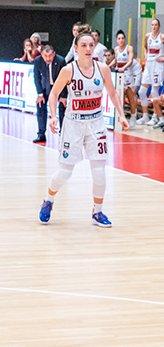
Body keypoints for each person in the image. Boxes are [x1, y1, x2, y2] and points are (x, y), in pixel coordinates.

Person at [38, 32, 129, 227]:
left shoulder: (103, 69)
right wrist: (53, 116)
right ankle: (48, 200)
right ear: (76, 48)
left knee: (99, 171)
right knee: (65, 172)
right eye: (84, 45)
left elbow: (113, 93)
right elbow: (53, 95)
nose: (88, 49)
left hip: (96, 124)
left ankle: (97, 212)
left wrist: (122, 115)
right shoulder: (68, 70)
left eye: (91, 45)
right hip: (73, 124)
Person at [138, 17, 164, 127]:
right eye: (152, 25)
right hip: (149, 64)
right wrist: (146, 54)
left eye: (156, 25)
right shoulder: (147, 36)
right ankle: (145, 116)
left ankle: (155, 117)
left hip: (158, 65)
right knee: (142, 91)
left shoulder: (163, 37)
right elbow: (145, 47)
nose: (154, 26)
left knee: (154, 90)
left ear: (159, 26)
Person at [32, 45, 66, 143]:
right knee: (40, 106)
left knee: (62, 107)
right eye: (45, 56)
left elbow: (65, 80)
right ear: (41, 54)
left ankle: (63, 133)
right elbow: (37, 78)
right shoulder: (38, 60)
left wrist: (63, 96)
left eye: (50, 56)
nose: (48, 58)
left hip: (59, 87)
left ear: (54, 54)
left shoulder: (61, 61)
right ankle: (41, 134)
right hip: (45, 87)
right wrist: (40, 94)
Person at [113, 31, 141, 127]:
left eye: (123, 38)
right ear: (117, 40)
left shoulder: (129, 48)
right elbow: (115, 60)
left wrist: (123, 68)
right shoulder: (116, 49)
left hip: (129, 73)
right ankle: (122, 116)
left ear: (125, 39)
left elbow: (130, 60)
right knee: (120, 97)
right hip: (120, 76)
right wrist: (107, 66)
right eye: (119, 38)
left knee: (131, 96)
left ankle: (133, 117)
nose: (121, 40)